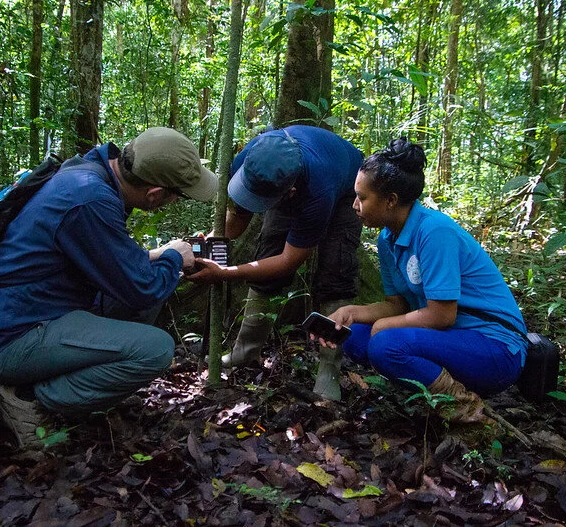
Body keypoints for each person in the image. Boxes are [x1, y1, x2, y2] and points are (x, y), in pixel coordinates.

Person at [0, 127, 218, 446]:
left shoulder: (91, 172)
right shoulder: (90, 199)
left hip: (35, 311)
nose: (173, 203)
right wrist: (173, 258)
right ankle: (28, 398)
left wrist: (160, 256)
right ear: (155, 194)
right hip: (12, 336)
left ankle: (63, 386)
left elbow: (102, 257)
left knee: (152, 281)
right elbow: (143, 288)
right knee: (155, 350)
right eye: (177, 195)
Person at [313, 137, 528, 424]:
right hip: (453, 338)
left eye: (362, 198)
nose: (354, 205)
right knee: (355, 339)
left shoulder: (434, 231)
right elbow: (397, 304)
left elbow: (442, 315)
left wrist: (383, 326)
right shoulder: (387, 238)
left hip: (495, 347)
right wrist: (351, 314)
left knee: (385, 343)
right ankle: (432, 394)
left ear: (390, 200)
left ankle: (468, 412)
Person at [186, 125, 363, 401]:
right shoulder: (252, 160)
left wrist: (226, 273)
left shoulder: (319, 190)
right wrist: (211, 240)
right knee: (268, 250)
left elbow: (288, 261)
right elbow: (240, 217)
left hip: (345, 190)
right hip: (296, 179)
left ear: (290, 193)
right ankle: (246, 350)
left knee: (335, 274)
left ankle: (329, 367)